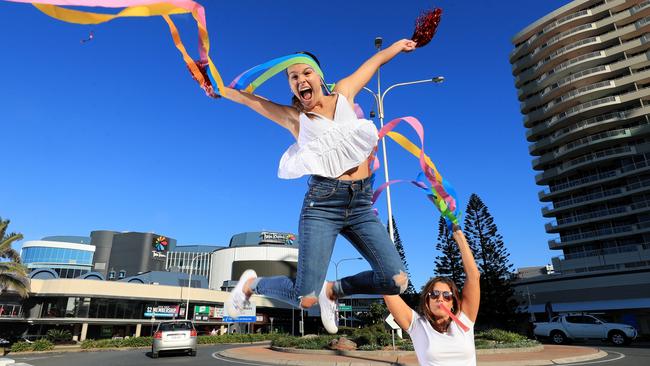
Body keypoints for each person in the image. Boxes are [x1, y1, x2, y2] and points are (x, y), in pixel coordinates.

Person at [221, 39, 418, 334]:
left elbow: (374, 62)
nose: (301, 80)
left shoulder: (344, 93)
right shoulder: (296, 118)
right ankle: (251, 284)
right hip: (323, 206)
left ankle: (333, 291)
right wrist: (216, 87)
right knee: (305, 298)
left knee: (396, 279)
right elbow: (251, 101)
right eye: (293, 77)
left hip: (360, 204)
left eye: (305, 73)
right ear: (291, 87)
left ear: (319, 77)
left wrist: (398, 46)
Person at [384, 225, 480, 365]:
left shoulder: (465, 320)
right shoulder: (417, 326)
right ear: (427, 300)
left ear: (453, 301)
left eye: (447, 295)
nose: (440, 298)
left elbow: (474, 276)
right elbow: (387, 292)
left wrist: (458, 233)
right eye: (434, 294)